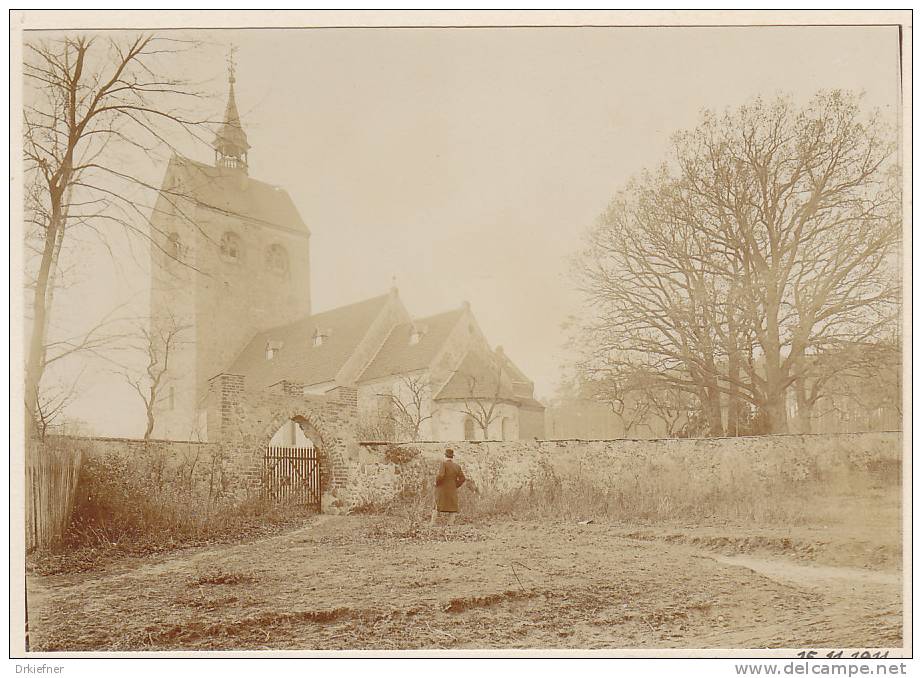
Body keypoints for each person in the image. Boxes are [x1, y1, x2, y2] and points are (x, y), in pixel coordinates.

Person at [431, 448, 465, 526]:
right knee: (453, 506)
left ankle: (432, 524)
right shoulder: (457, 466)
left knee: (437, 505)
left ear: (445, 456)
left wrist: (436, 482)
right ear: (452, 457)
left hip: (442, 489)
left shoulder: (443, 464)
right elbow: (463, 478)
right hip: (452, 489)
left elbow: (441, 475)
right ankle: (450, 524)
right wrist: (456, 485)